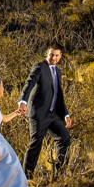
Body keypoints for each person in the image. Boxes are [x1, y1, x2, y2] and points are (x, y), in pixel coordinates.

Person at [17, 43, 72, 178]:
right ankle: (26, 178)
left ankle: (59, 174)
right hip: (38, 114)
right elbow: (29, 83)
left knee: (64, 137)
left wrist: (65, 114)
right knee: (35, 144)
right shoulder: (40, 67)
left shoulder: (58, 72)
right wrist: (23, 101)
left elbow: (59, 95)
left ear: (60, 56)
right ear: (47, 53)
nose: (53, 58)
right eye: (51, 55)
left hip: (52, 114)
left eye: (56, 55)